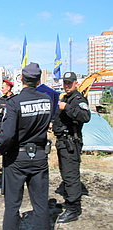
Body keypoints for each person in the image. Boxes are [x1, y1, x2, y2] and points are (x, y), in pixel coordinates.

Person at [0, 62, 52, 230]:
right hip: (40, 156)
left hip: (17, 159)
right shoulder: (47, 100)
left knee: (12, 205)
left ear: (21, 79)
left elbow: (8, 134)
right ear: (39, 79)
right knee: (41, 205)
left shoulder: (14, 102)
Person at [52, 72, 91, 223]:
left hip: (71, 143)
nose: (67, 86)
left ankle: (74, 209)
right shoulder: (66, 98)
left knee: (71, 175)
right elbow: (59, 118)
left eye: (69, 83)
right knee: (65, 173)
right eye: (65, 83)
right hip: (62, 142)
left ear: (76, 83)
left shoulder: (78, 99)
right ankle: (69, 202)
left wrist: (67, 107)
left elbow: (85, 116)